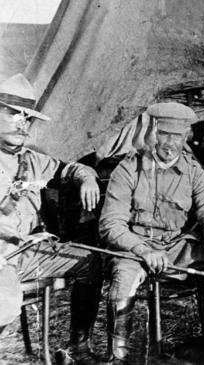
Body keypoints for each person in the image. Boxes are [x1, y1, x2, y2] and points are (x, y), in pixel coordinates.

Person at [99, 102, 204, 364]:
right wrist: (143, 250)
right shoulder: (128, 168)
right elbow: (111, 224)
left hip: (176, 248)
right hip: (136, 250)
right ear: (153, 132)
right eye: (165, 134)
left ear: (187, 135)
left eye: (178, 136)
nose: (171, 143)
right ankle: (117, 356)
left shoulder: (193, 171)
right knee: (124, 276)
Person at [0, 74, 103, 365]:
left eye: (27, 118)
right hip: (1, 256)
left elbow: (68, 168)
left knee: (89, 260)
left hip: (27, 253)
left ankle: (79, 349)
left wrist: (87, 177)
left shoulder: (32, 160)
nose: (22, 123)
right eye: (13, 114)